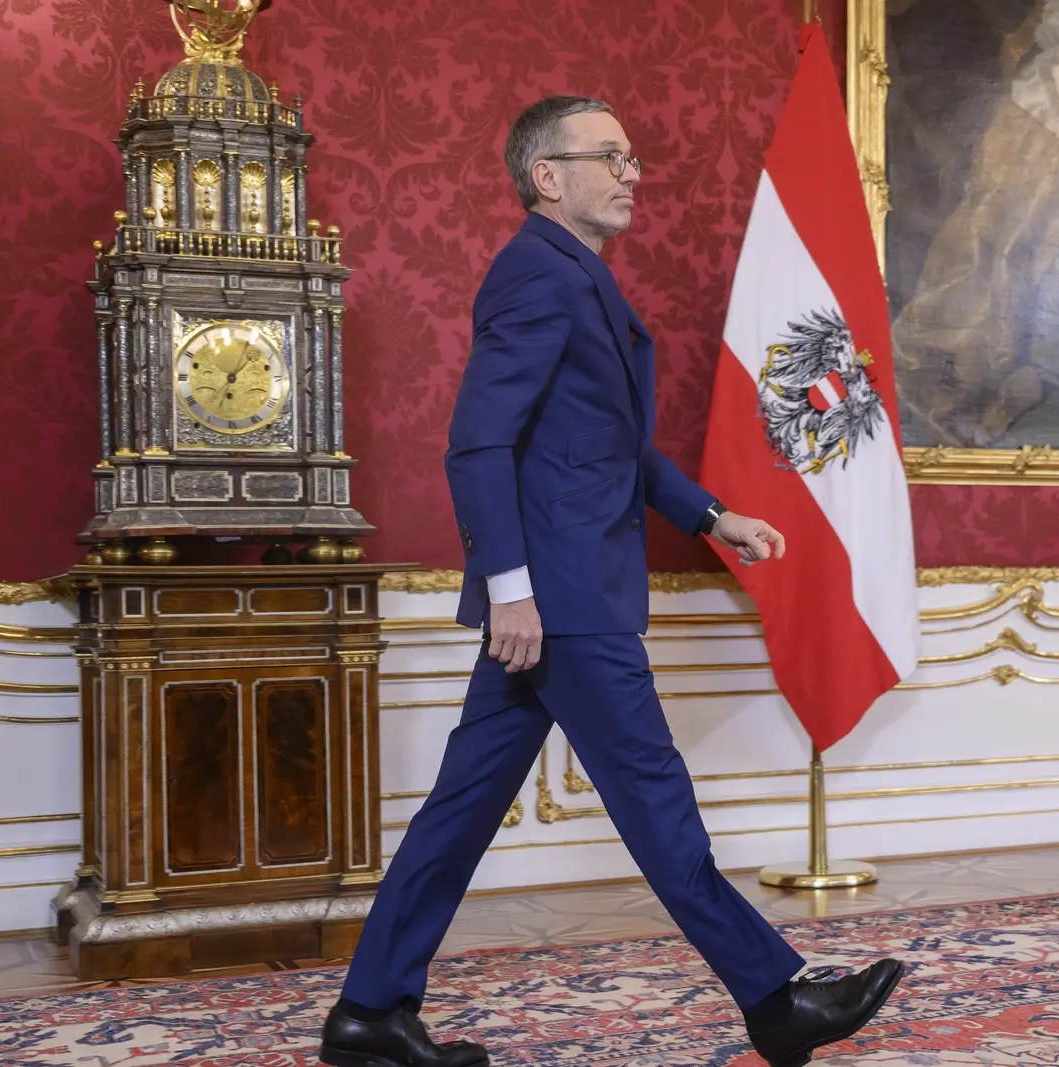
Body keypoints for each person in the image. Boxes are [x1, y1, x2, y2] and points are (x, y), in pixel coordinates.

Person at [318, 95, 903, 1067]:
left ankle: (371, 1012)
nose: (633, 172)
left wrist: (714, 515)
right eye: (611, 156)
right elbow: (477, 444)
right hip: (559, 601)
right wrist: (510, 589)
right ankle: (775, 998)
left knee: (461, 805)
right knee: (652, 792)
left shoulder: (574, 279)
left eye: (632, 157)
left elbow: (610, 448)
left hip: (557, 594)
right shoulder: (538, 279)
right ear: (548, 176)